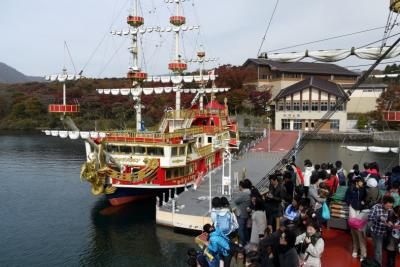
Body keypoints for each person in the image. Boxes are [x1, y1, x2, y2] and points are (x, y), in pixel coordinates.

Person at [368, 195, 395, 266]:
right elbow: (370, 218)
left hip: (386, 233)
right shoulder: (376, 207)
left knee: (384, 249)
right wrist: (379, 217)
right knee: (378, 251)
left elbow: (391, 219)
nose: (389, 208)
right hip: (377, 232)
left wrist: (391, 223)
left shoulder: (391, 210)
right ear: (383, 203)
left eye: (391, 206)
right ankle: (378, 264)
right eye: (388, 206)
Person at [345, 177, 367, 261]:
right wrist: (350, 204)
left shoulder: (363, 189)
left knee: (359, 228)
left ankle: (358, 250)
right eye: (361, 182)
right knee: (353, 226)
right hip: (353, 208)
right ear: (357, 182)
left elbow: (365, 197)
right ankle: (355, 248)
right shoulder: (350, 189)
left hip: (360, 209)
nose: (362, 183)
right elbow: (346, 198)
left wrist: (363, 202)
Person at [233, 181, 251, 246]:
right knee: (245, 230)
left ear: (241, 186)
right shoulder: (249, 192)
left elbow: (236, 200)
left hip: (242, 214)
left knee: (241, 230)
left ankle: (242, 244)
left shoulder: (244, 193)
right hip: (246, 214)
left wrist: (236, 194)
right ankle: (246, 242)